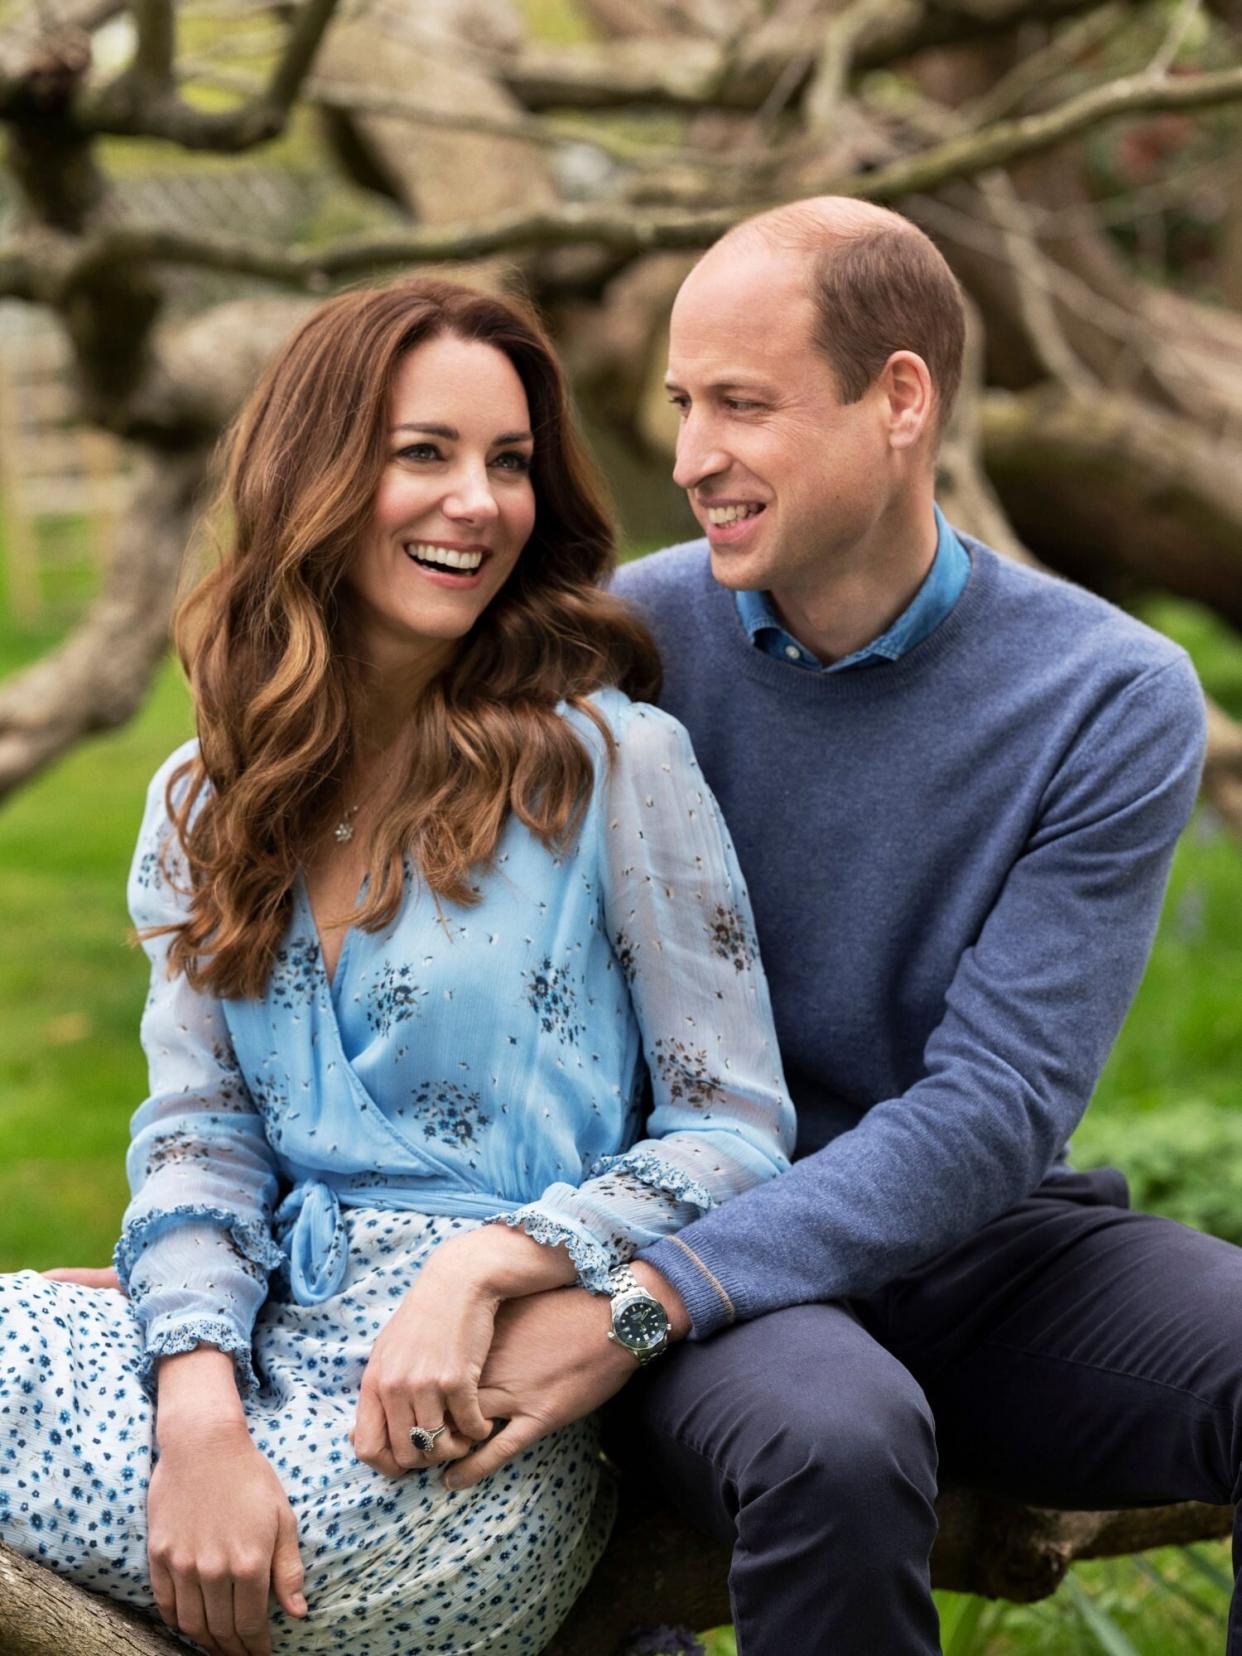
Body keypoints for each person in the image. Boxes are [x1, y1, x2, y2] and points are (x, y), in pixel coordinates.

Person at [363, 198, 1233, 1655]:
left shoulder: (1106, 694)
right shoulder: (618, 650)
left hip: (967, 1240)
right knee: (833, 1444)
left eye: (743, 405)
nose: (695, 454)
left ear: (899, 400)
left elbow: (997, 1106)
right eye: (682, 404)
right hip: (685, 1216)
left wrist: (641, 1306)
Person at [0, 275, 795, 1655]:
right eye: (421, 454)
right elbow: (199, 1137)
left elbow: (733, 1128)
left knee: (311, 1565)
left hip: (474, 1416)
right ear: (314, 476)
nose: (475, 504)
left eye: (508, 463)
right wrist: (192, 1410)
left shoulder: (612, 767)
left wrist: (490, 1263)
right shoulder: (206, 796)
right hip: (254, 1341)